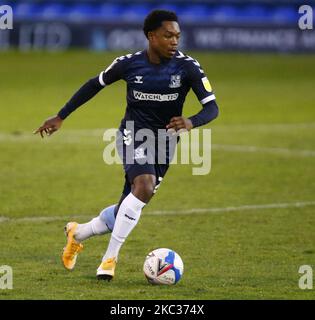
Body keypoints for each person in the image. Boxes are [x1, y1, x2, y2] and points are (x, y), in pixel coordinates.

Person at [34, 9, 219, 281]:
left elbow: (212, 108)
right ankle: (109, 260)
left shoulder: (188, 67)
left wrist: (192, 121)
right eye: (168, 35)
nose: (174, 41)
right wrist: (61, 115)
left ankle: (78, 233)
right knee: (143, 187)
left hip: (165, 143)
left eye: (177, 36)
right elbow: (93, 85)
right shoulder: (129, 64)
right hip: (133, 134)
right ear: (151, 36)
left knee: (130, 205)